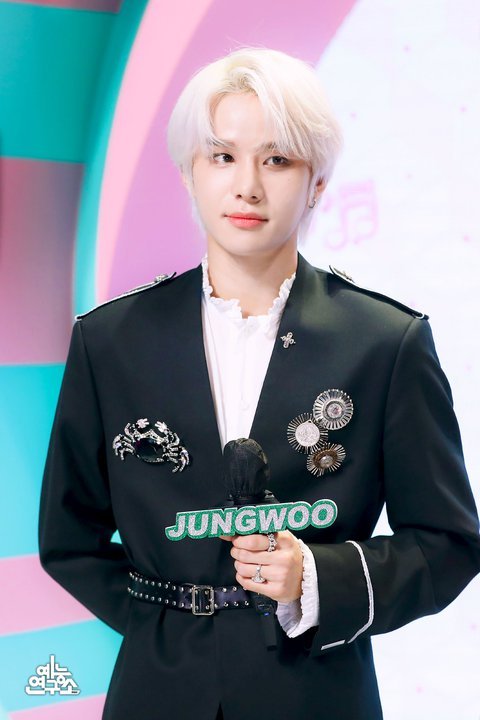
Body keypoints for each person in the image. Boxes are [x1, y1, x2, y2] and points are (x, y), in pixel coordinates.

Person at [38, 46, 480, 720]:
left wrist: (318, 580)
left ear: (318, 183)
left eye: (276, 160)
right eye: (222, 156)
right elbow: (68, 538)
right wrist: (165, 618)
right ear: (189, 173)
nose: (246, 186)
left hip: (317, 694)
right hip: (157, 694)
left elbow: (447, 543)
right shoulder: (110, 340)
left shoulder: (386, 342)